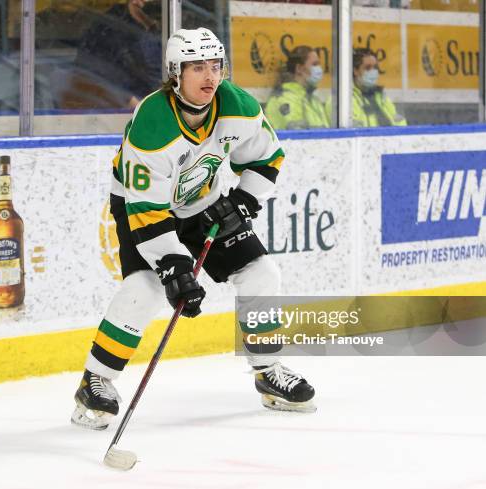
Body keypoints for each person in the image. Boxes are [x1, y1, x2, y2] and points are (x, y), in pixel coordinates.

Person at [71, 28, 316, 430]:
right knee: (145, 289)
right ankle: (95, 379)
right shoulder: (153, 124)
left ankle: (268, 369)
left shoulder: (236, 106)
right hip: (143, 207)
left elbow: (268, 157)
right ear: (174, 73)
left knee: (262, 273)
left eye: (215, 66)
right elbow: (148, 211)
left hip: (206, 202)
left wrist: (242, 200)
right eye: (197, 67)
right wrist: (174, 268)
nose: (209, 76)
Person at [332, 48, 406, 127]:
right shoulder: (343, 100)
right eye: (367, 68)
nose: (373, 71)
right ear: (355, 71)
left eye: (375, 67)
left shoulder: (381, 97)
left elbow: (400, 125)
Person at [265, 46, 329, 130]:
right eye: (314, 64)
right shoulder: (285, 99)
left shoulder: (313, 100)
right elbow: (298, 136)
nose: (319, 69)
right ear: (299, 68)